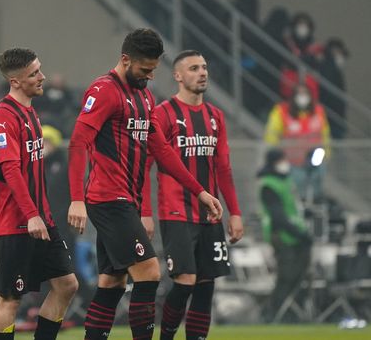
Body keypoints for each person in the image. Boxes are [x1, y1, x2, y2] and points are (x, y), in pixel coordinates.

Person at [67, 29, 223, 340]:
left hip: (128, 201)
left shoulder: (145, 96)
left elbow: (162, 149)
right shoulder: (104, 90)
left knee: (112, 283)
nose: (150, 76)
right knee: (149, 273)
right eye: (145, 70)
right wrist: (76, 199)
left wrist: (201, 191)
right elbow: (77, 143)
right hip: (109, 200)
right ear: (125, 60)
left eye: (154, 69)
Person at [140, 50, 244, 340]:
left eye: (204, 67)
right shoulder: (162, 114)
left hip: (210, 216)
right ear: (178, 76)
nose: (202, 73)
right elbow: (145, 167)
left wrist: (234, 212)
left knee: (206, 284)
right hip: (176, 212)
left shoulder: (215, 117)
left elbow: (223, 168)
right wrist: (145, 212)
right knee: (184, 281)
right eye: (194, 68)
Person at [0, 48, 78, 340]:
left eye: (40, 70)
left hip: (41, 220)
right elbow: (10, 171)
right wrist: (31, 215)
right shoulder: (2, 117)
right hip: (15, 224)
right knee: (10, 299)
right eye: (35, 73)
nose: (43, 77)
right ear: (15, 81)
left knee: (67, 285)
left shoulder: (30, 112)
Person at [257, 148, 311, 322]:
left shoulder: (285, 181)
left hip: (296, 235)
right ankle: (273, 314)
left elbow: (292, 208)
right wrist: (300, 233)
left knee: (298, 277)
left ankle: (291, 314)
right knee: (286, 277)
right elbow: (277, 215)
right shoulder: (269, 184)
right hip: (282, 235)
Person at [264, 83, 330, 203]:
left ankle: (317, 206)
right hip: (293, 160)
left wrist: (327, 154)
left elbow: (325, 134)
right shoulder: (281, 111)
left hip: (316, 158)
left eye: (305, 94)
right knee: (297, 188)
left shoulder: (318, 111)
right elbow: (272, 135)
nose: (302, 97)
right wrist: (276, 156)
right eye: (299, 94)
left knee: (318, 184)